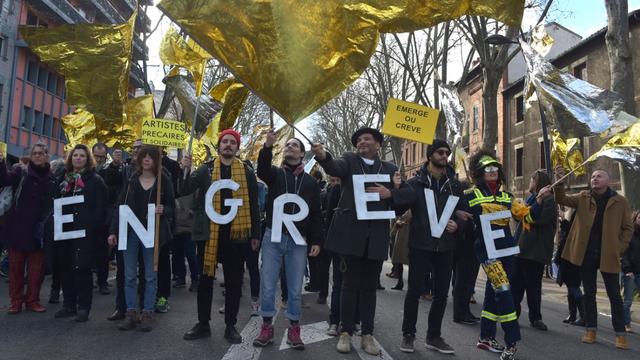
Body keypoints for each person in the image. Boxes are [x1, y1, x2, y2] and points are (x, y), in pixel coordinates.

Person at [312, 127, 403, 355]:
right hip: (351, 237)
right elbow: (334, 167)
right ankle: (345, 332)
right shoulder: (350, 161)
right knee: (349, 286)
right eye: (359, 140)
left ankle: (368, 335)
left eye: (367, 139)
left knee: (369, 289)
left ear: (378, 144)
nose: (362, 142)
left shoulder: (391, 170)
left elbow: (407, 201)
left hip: (376, 239)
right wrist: (322, 156)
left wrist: (392, 193)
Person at [463, 151, 549, 360]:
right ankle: (511, 342)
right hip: (487, 251)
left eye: (494, 168)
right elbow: (462, 220)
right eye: (487, 169)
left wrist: (539, 199)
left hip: (508, 251)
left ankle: (485, 337)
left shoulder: (507, 197)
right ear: (480, 173)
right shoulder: (470, 195)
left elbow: (527, 215)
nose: (492, 172)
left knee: (494, 293)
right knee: (504, 291)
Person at [181, 129, 261, 344]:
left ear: (237, 147)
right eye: (224, 141)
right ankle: (203, 324)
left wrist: (255, 233)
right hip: (209, 234)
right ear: (219, 145)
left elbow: (253, 204)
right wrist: (186, 168)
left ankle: (230, 325)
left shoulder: (246, 172)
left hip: (236, 236)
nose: (228, 145)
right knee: (205, 280)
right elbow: (184, 189)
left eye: (232, 142)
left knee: (234, 283)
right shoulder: (205, 170)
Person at [542, 167, 634, 349]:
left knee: (614, 295)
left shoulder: (620, 201)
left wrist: (619, 248)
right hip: (586, 254)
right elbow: (562, 199)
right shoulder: (583, 197)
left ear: (608, 180)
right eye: (593, 176)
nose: (594, 179)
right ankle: (590, 330)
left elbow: (628, 228)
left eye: (599, 176)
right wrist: (559, 183)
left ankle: (620, 334)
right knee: (589, 294)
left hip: (609, 254)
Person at [252, 131, 323, 350]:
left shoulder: (311, 182)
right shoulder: (274, 174)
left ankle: (294, 328)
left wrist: (316, 240)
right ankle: (266, 326)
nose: (290, 147)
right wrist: (267, 146)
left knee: (294, 287)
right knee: (268, 285)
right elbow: (262, 169)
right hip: (273, 236)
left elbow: (315, 214)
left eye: (295, 145)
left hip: (298, 240)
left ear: (302, 153)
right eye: (288, 145)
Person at [394, 139, 464, 354]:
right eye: (440, 152)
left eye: (447, 153)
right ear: (430, 155)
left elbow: (465, 214)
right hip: (420, 246)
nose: (445, 156)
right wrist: (397, 188)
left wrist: (458, 225)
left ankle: (434, 336)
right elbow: (398, 208)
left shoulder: (455, 185)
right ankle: (408, 334)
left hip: (445, 247)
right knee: (414, 292)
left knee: (442, 294)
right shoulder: (415, 183)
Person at [108, 145, 175, 332]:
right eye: (144, 156)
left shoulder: (163, 180)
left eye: (151, 157)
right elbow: (120, 206)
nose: (147, 159)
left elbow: (172, 206)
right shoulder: (131, 181)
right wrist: (113, 231)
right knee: (129, 275)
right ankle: (130, 312)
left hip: (151, 233)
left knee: (150, 275)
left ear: (156, 160)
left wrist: (165, 210)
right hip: (130, 233)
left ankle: (147, 312)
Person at [53, 144, 108, 322]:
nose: (78, 158)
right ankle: (68, 304)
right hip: (64, 230)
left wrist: (94, 228)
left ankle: (84, 307)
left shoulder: (95, 180)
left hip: (84, 232)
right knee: (65, 267)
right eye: (75, 155)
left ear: (87, 159)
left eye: (82, 156)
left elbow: (101, 208)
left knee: (82, 269)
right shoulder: (63, 178)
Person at [0, 143, 56, 314]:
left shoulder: (52, 177)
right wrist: (1, 163)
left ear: (47, 156)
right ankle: (16, 301)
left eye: (41, 153)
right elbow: (4, 180)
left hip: (38, 231)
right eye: (35, 153)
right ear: (31, 156)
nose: (38, 156)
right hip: (18, 229)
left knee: (36, 271)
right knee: (15, 269)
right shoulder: (20, 172)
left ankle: (32, 300)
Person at [512, 170, 557, 331]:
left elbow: (535, 219)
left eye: (532, 179)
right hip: (521, 249)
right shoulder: (532, 198)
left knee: (533, 287)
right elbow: (520, 215)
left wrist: (532, 207)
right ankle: (512, 315)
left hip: (534, 251)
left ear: (537, 182)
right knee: (516, 285)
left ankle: (535, 317)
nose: (529, 182)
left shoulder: (549, 200)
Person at [553, 206, 585, 326]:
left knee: (573, 285)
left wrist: (564, 217)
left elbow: (572, 231)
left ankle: (583, 315)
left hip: (573, 255)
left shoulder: (579, 214)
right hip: (567, 255)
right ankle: (572, 314)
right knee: (570, 286)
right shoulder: (573, 214)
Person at [91, 143, 111, 295]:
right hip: (87, 217)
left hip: (104, 218)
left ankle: (102, 281)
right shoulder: (86, 171)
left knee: (103, 254)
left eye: (101, 157)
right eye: (96, 156)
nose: (98, 160)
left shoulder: (110, 170)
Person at [621, 210, 640, 333]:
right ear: (635, 218)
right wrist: (627, 270)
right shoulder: (630, 234)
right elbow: (625, 253)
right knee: (628, 300)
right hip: (631, 272)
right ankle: (625, 324)